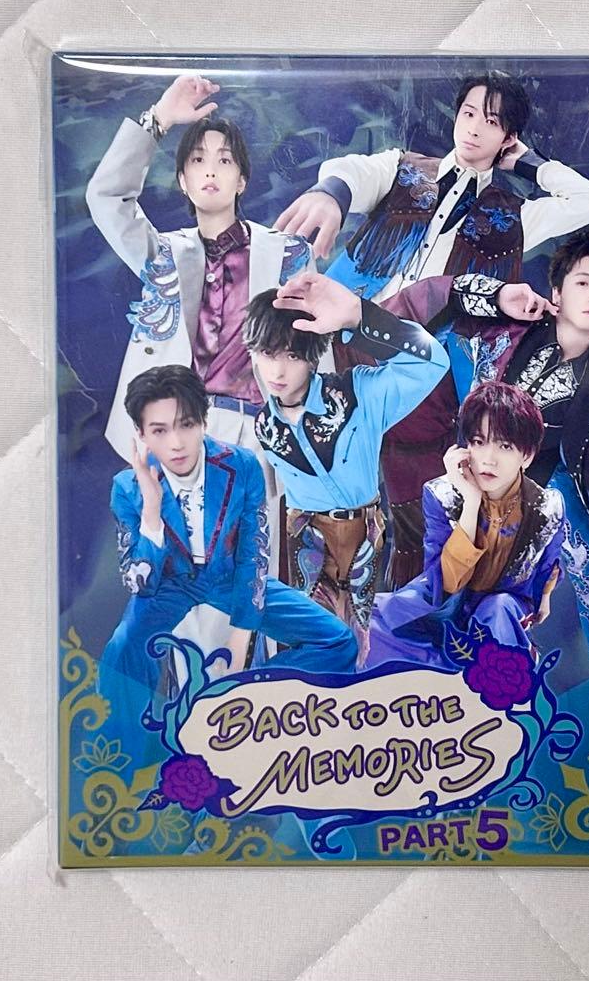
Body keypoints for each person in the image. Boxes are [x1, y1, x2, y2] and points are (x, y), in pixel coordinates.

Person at [377, 229, 589, 694]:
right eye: (582, 283)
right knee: (428, 585)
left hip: (535, 489)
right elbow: (436, 311)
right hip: (460, 464)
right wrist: (499, 295)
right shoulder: (514, 326)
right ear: (557, 292)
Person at [86, 73, 316, 569]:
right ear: (183, 181)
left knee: (253, 582)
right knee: (179, 581)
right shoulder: (162, 255)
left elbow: (315, 354)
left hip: (257, 434)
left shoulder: (288, 254)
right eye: (197, 160)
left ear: (242, 180)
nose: (210, 170)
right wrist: (158, 120)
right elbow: (106, 199)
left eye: (224, 160)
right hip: (181, 432)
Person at [98, 365, 357, 757]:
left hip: (229, 575)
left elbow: (253, 551)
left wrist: (242, 630)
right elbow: (141, 585)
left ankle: (252, 703)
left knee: (337, 641)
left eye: (186, 425)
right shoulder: (127, 488)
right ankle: (130, 758)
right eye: (159, 431)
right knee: (122, 649)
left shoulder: (241, 464)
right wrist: (151, 510)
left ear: (204, 421)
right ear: (141, 435)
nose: (176, 443)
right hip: (171, 583)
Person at [243, 273, 449, 663]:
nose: (278, 371)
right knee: (321, 647)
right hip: (307, 540)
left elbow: (431, 362)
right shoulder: (264, 426)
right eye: (268, 354)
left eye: (292, 355)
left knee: (364, 646)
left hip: (365, 534)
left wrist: (359, 316)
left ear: (311, 353)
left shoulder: (357, 394)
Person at [274, 70, 589, 302]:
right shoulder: (402, 167)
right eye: (468, 114)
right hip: (337, 328)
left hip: (426, 366)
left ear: (509, 137)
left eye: (491, 122)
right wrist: (331, 194)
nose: (474, 129)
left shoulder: (514, 217)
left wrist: (529, 163)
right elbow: (354, 171)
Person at [367, 383, 564, 669]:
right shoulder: (442, 495)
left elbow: (549, 564)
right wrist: (471, 504)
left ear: (527, 456)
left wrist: (543, 598)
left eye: (504, 446)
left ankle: (504, 674)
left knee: (497, 611)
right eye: (478, 442)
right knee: (366, 624)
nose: (488, 459)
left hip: (502, 607)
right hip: (444, 603)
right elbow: (444, 582)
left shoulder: (547, 508)